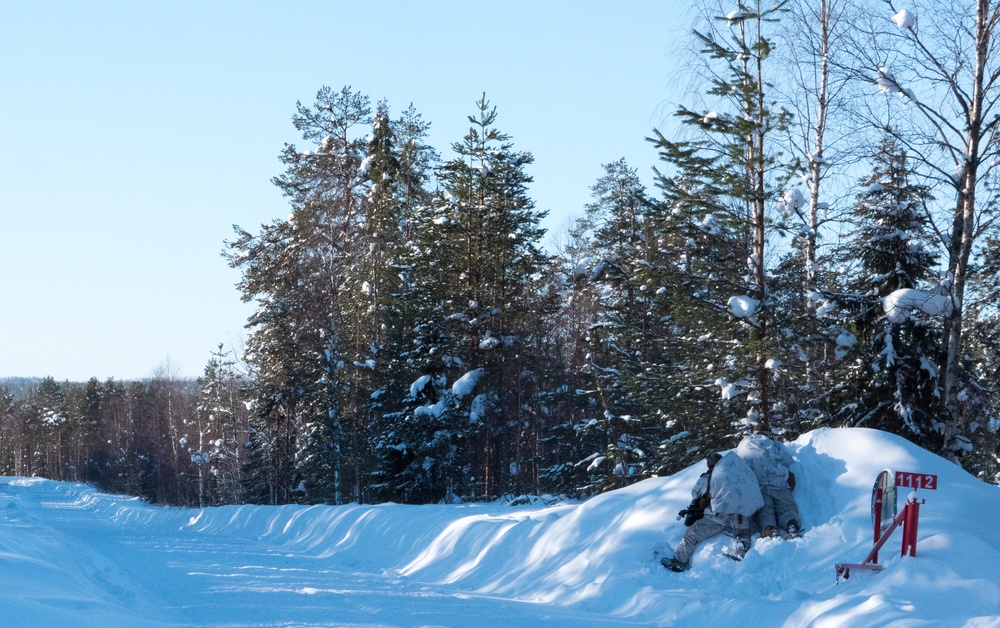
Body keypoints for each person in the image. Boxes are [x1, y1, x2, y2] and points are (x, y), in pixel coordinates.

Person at [663, 451, 764, 572]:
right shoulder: (735, 478)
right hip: (739, 515)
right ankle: (741, 550)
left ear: (709, 465)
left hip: (718, 517)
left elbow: (695, 494)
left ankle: (679, 561)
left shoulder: (706, 479)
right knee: (742, 534)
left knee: (692, 535)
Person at [736, 433, 801, 538]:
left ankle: (769, 529)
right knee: (787, 507)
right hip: (779, 484)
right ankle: (791, 523)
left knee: (765, 511)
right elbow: (788, 461)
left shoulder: (743, 445)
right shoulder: (775, 445)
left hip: (759, 487)